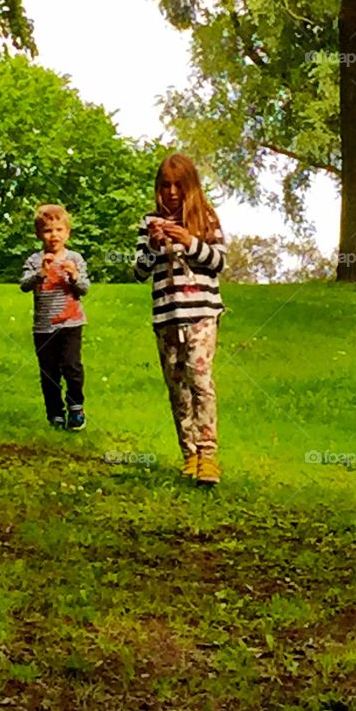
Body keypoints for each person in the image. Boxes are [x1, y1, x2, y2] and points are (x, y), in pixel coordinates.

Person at [134, 154, 226, 485]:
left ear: (190, 187)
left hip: (201, 313)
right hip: (166, 315)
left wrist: (189, 241)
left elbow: (218, 262)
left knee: (200, 382)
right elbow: (138, 272)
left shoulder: (206, 217)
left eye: (178, 185)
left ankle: (208, 456)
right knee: (177, 388)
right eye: (165, 186)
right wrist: (155, 246)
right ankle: (188, 455)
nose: (172, 192)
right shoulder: (148, 223)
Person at [20, 204, 90, 431]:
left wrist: (74, 276)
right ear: (40, 234)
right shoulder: (35, 260)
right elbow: (24, 285)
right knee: (49, 372)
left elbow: (84, 289)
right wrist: (41, 273)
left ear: (67, 233)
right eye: (48, 231)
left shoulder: (75, 258)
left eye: (59, 230)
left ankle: (76, 407)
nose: (54, 236)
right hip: (44, 327)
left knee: (72, 366)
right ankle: (55, 413)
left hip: (71, 324)